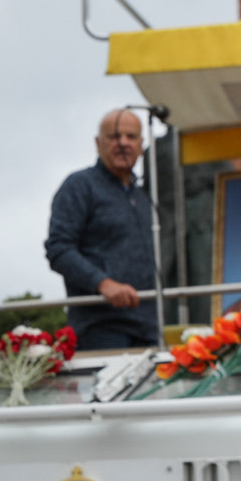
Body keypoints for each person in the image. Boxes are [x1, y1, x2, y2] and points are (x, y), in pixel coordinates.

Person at [45, 107, 160, 349]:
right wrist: (103, 284)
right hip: (100, 329)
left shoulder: (145, 198)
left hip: (149, 328)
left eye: (131, 137)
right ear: (98, 143)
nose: (123, 143)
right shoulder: (79, 186)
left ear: (141, 145)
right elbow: (59, 249)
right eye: (114, 136)